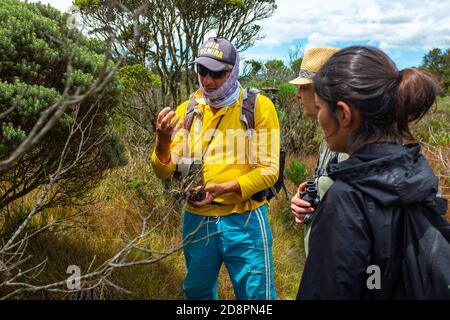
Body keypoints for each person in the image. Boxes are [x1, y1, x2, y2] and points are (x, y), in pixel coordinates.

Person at [297, 45, 447, 299]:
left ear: (343, 114)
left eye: (321, 107)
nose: (320, 117)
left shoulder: (346, 199)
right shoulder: (417, 174)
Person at [151, 37, 280, 300]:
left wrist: (226, 188)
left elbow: (269, 170)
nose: (208, 80)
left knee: (256, 297)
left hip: (245, 219)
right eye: (202, 71)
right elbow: (164, 171)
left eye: (217, 73)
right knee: (196, 294)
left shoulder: (257, 107)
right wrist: (162, 141)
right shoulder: (187, 111)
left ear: (233, 72)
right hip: (197, 220)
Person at [289, 48, 348, 257]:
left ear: (322, 92)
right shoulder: (330, 137)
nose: (297, 95)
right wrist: (304, 200)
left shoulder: (352, 145)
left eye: (303, 87)